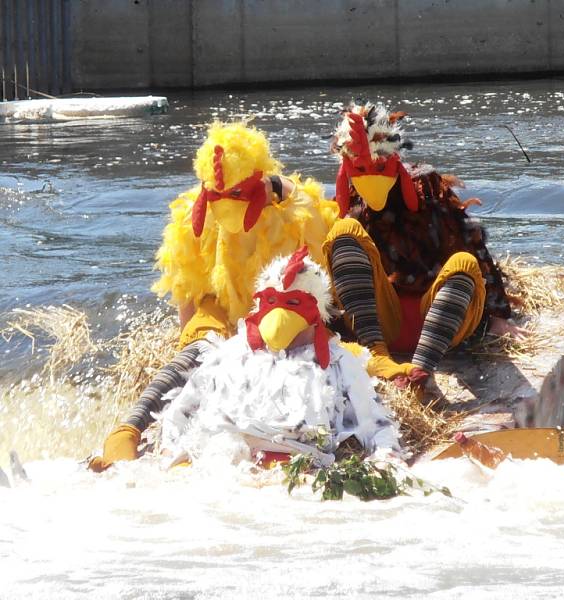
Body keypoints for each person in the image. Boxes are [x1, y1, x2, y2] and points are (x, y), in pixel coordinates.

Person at [89, 122, 338, 472]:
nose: (226, 204)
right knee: (197, 349)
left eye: (236, 195)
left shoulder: (292, 212)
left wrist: (283, 189)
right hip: (221, 308)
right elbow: (186, 282)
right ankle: (129, 429)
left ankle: (280, 444)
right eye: (218, 197)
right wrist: (186, 339)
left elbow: (317, 241)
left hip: (279, 310)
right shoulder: (195, 213)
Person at [323, 102, 526, 391]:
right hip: (378, 324)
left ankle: (421, 369)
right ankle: (379, 357)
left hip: (440, 323)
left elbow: (473, 241)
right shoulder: (349, 206)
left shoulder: (429, 194)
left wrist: (497, 314)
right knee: (342, 231)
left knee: (464, 264)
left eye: (379, 168)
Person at [159, 247, 401, 468]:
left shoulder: (337, 360)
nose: (281, 313)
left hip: (294, 469)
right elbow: (182, 407)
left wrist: (386, 457)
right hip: (223, 462)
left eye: (294, 303)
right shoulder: (232, 352)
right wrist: (170, 449)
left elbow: (376, 420)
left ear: (316, 311)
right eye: (272, 301)